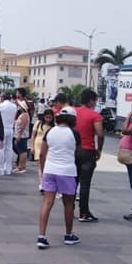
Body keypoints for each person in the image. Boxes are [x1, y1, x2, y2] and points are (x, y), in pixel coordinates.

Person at [37, 107, 81, 248]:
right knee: (68, 204)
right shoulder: (74, 133)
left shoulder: (50, 131)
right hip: (67, 171)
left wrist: (43, 171)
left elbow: (42, 154)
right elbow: (78, 153)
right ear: (73, 119)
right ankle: (68, 235)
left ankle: (42, 236)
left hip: (50, 170)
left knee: (47, 203)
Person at [74, 89, 104, 222]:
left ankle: (68, 209)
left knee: (72, 182)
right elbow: (100, 133)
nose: (95, 103)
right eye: (95, 100)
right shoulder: (95, 115)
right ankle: (84, 213)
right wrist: (99, 149)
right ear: (91, 100)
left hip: (73, 150)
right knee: (85, 183)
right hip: (88, 151)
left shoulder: (73, 112)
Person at [0, 92, 18, 176]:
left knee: (0, 149)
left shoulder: (0, 106)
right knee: (9, 149)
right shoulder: (14, 106)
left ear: (3, 98)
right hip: (10, 128)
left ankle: (0, 168)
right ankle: (8, 168)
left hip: (2, 129)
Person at [31, 110, 54, 192]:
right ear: (44, 117)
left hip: (48, 147)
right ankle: (42, 184)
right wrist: (32, 147)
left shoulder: (53, 127)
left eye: (50, 117)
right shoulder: (38, 123)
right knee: (40, 166)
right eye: (46, 117)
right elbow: (33, 135)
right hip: (37, 145)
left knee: (46, 166)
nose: (48, 119)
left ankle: (45, 183)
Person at [13, 101, 31, 173]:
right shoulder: (23, 114)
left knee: (22, 151)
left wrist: (19, 135)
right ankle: (20, 166)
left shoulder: (24, 115)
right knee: (20, 150)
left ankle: (22, 167)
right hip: (21, 135)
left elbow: (23, 126)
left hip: (22, 135)